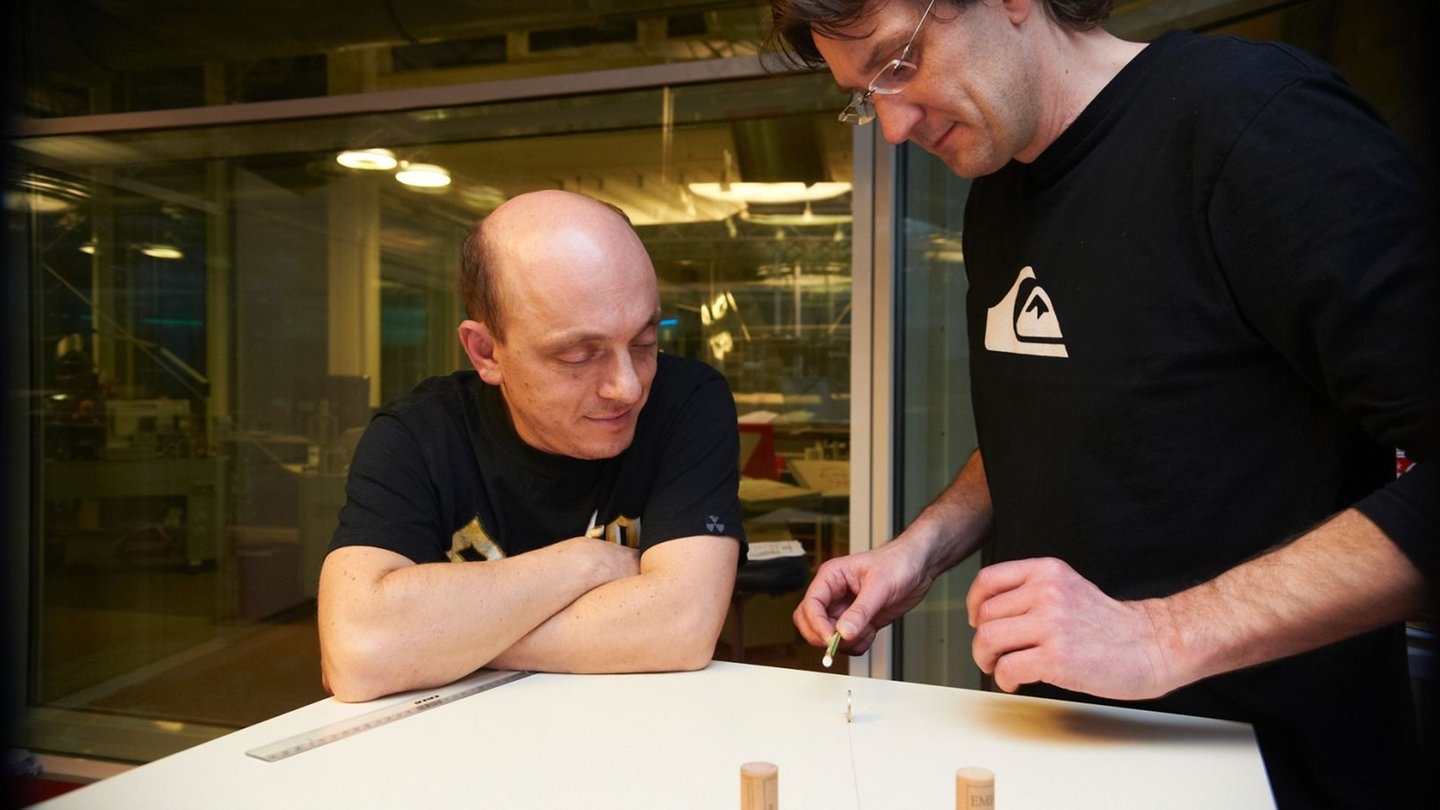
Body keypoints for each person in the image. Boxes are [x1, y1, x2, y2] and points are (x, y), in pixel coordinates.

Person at [767, 0, 1437, 806]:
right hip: (1053, 760)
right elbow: (1066, 418)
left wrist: (1160, 634)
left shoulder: (1258, 127)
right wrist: (919, 550)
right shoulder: (1001, 191)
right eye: (863, 93)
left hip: (1273, 775)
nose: (894, 125)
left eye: (898, 63)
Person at [317, 189, 746, 703]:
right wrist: (585, 563)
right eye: (578, 355)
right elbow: (359, 650)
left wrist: (437, 641)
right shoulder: (417, 436)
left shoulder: (686, 402)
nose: (628, 387)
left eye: (643, 343)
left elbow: (682, 626)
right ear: (486, 352)